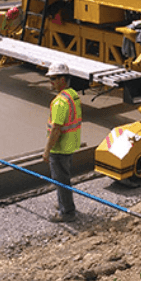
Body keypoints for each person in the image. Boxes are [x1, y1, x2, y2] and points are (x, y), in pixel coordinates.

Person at [43, 62, 82, 223]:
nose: (50, 82)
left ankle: (67, 212)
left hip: (59, 148)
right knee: (64, 177)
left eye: (53, 78)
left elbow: (56, 130)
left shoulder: (60, 102)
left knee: (61, 180)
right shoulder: (73, 95)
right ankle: (63, 203)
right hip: (71, 144)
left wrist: (47, 150)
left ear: (62, 79)